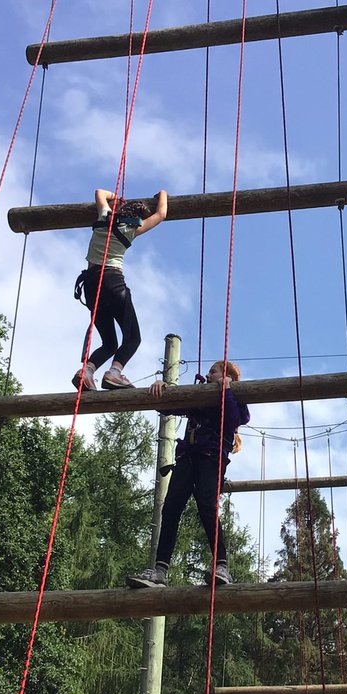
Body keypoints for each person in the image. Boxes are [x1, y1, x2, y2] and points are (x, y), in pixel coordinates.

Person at [128, 360, 250, 588]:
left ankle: (221, 565)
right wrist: (161, 388)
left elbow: (235, 419)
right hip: (187, 458)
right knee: (172, 507)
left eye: (213, 371)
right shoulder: (199, 395)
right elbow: (170, 406)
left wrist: (227, 390)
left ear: (227, 376)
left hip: (210, 457)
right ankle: (160, 570)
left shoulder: (232, 396)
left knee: (207, 506)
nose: (208, 374)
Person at [72, 187, 168, 391]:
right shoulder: (132, 229)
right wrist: (163, 194)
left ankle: (87, 372)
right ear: (138, 217)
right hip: (112, 281)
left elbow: (99, 192)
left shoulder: (104, 216)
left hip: (90, 284)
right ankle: (114, 373)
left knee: (109, 343)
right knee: (133, 338)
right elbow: (161, 214)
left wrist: (118, 199)